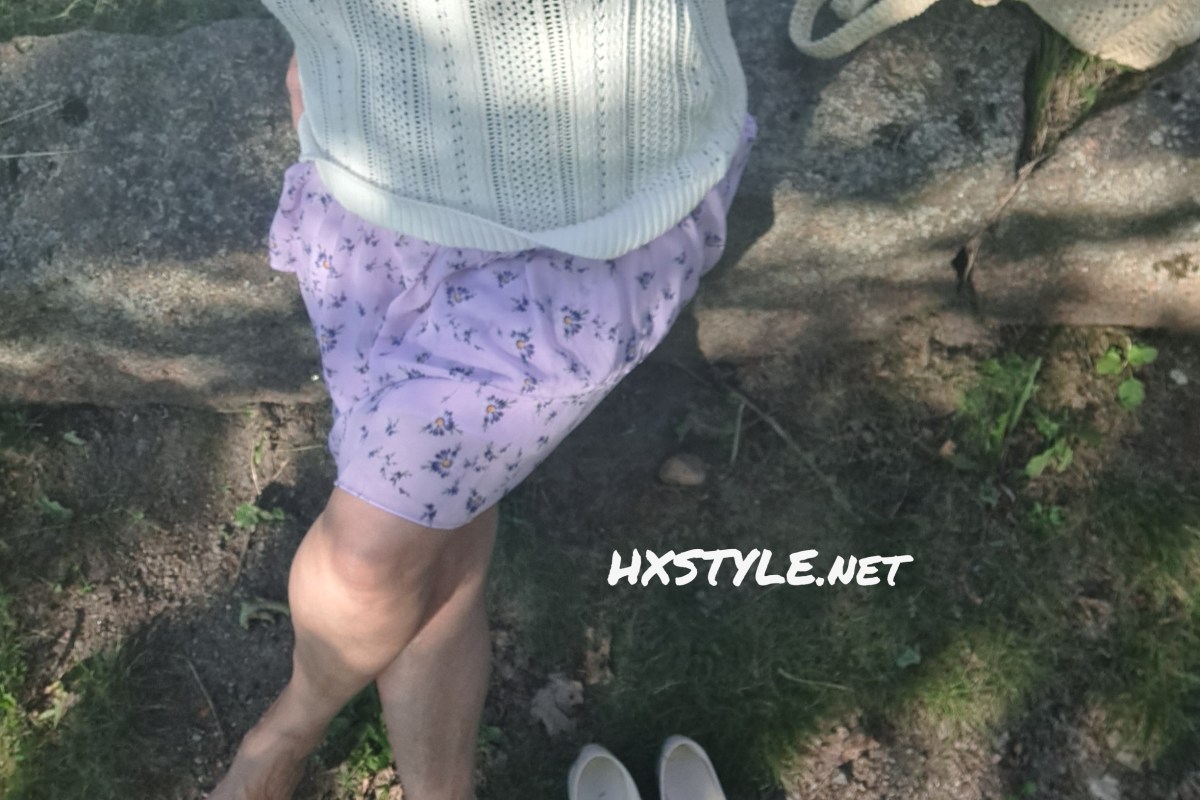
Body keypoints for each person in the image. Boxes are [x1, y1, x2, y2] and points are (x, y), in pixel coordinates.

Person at [210, 0, 753, 797]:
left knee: (370, 559)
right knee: (437, 526)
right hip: (372, 176)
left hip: (595, 212)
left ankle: (284, 736)